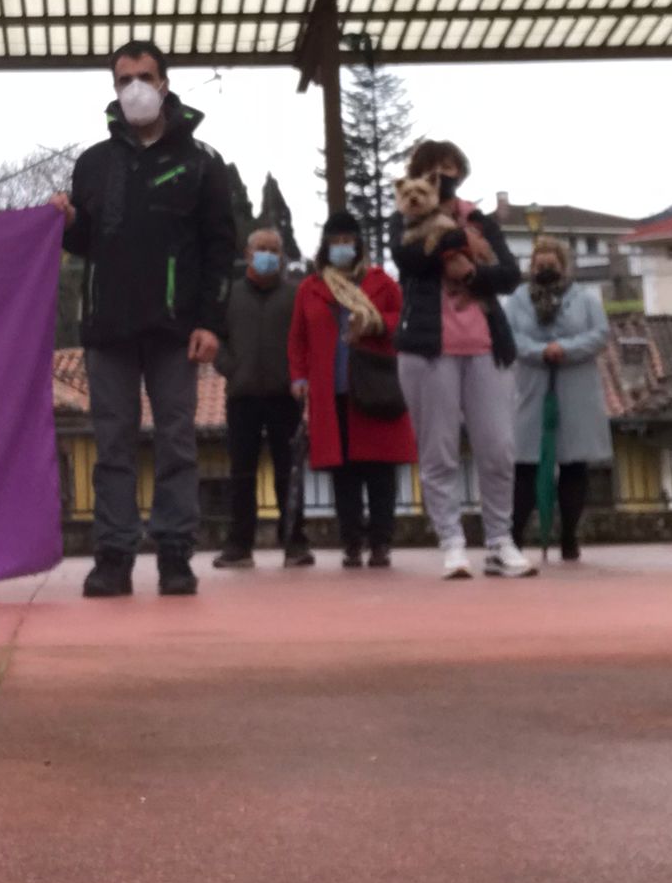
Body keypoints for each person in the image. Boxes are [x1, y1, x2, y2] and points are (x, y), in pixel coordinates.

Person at [51, 40, 235, 598]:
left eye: (144, 75)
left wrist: (211, 321)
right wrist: (63, 219)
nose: (134, 86)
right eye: (123, 77)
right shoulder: (94, 163)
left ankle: (176, 554)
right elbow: (85, 240)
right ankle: (113, 556)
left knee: (178, 440)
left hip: (176, 329)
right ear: (113, 87)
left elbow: (219, 246)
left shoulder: (201, 161)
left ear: (164, 82)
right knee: (111, 443)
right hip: (107, 327)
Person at [392, 138, 534, 580]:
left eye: (452, 167)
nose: (444, 175)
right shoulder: (402, 216)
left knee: (497, 448)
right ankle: (451, 543)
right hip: (427, 347)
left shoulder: (481, 219)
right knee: (438, 451)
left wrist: (472, 271)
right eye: (435, 168)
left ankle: (500, 541)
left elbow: (510, 275)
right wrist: (453, 240)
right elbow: (409, 257)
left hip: (486, 344)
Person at [289, 210, 416, 568]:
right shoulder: (310, 288)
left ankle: (380, 542)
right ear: (325, 246)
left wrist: (375, 323)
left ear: (358, 244)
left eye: (348, 241)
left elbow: (401, 319)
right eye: (335, 241)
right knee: (342, 472)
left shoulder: (380, 282)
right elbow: (297, 338)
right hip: (333, 392)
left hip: (375, 386)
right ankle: (351, 542)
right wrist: (298, 377)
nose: (342, 247)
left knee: (379, 471)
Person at [503, 237, 612, 563]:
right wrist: (540, 351)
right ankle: (515, 537)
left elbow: (599, 334)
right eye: (539, 265)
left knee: (573, 464)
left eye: (551, 265)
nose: (545, 270)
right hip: (532, 386)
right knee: (526, 465)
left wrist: (566, 349)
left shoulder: (585, 299)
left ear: (563, 267)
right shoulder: (518, 301)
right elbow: (511, 337)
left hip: (576, 387)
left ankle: (569, 536)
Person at [213, 227, 307, 569]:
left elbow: (305, 339)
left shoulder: (295, 296)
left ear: (281, 256)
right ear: (248, 254)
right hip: (242, 395)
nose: (268, 254)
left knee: (289, 471)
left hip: (285, 396)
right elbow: (217, 339)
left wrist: (299, 376)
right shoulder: (231, 296)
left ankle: (295, 542)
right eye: (261, 248)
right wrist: (231, 368)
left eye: (273, 249)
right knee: (241, 473)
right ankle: (239, 545)